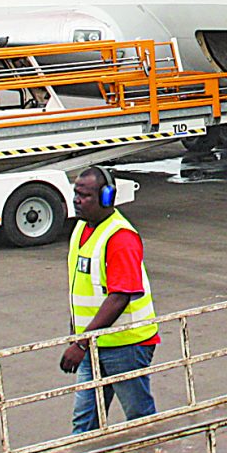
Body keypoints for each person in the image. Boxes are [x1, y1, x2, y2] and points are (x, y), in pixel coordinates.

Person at [59, 165, 158, 433]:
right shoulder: (81, 229)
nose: (77, 201)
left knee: (138, 417)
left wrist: (80, 343)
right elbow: (82, 287)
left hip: (125, 344)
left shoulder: (120, 237)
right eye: (75, 194)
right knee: (85, 421)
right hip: (93, 343)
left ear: (106, 197)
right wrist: (77, 334)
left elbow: (120, 296)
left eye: (85, 196)